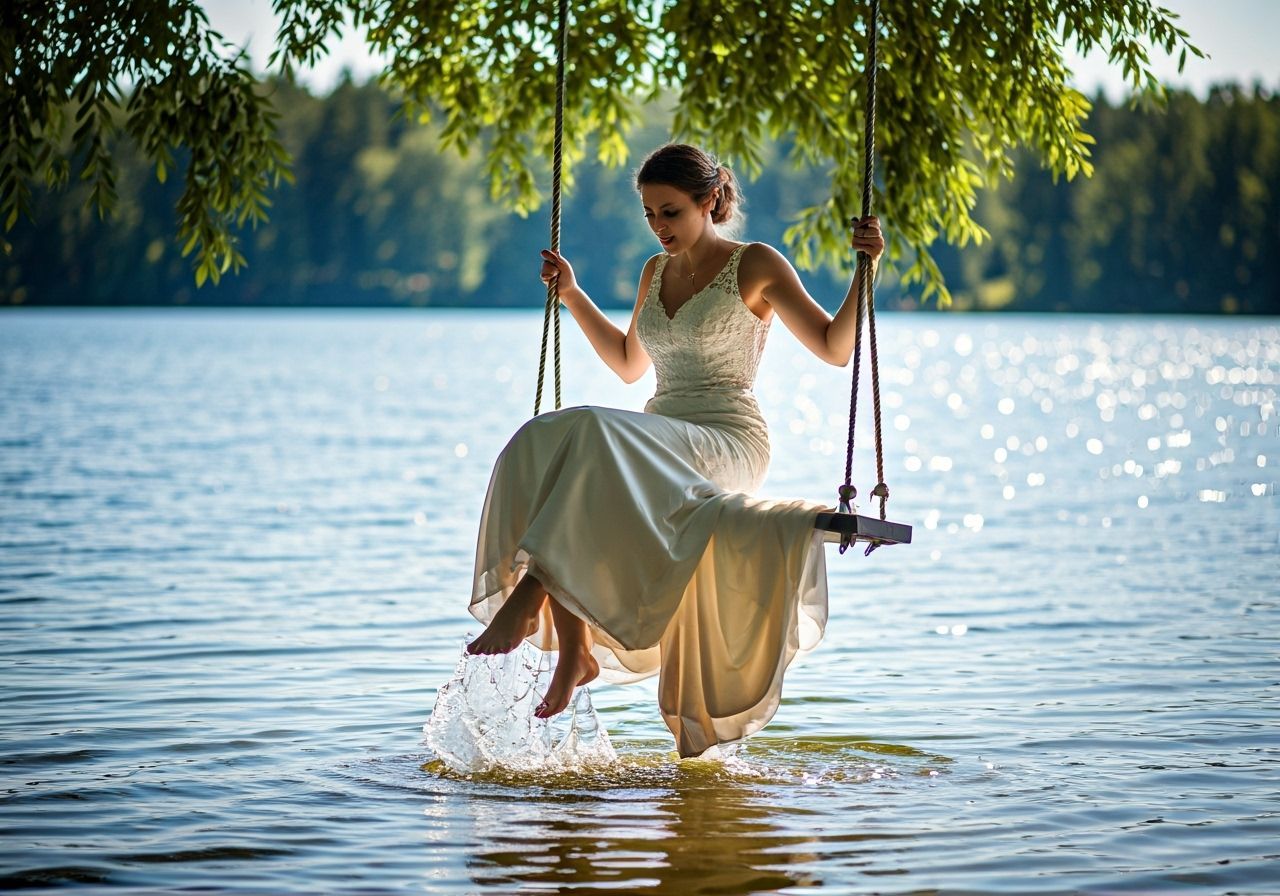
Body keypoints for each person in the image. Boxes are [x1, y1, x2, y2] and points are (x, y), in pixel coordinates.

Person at [465, 143, 885, 757]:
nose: (660, 228)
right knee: (545, 435)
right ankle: (575, 652)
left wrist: (864, 272)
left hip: (726, 438)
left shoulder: (756, 263)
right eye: (650, 216)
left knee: (590, 433)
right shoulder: (652, 274)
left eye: (671, 213)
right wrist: (574, 295)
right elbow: (630, 365)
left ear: (709, 201)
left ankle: (533, 593)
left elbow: (833, 346)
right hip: (662, 429)